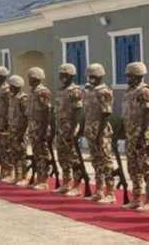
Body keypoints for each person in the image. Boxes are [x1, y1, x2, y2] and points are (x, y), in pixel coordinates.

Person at [121, 61, 149, 212]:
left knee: (146, 168)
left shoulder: (144, 91)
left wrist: (142, 134)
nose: (127, 77)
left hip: (141, 134)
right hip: (131, 134)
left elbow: (148, 114)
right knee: (133, 167)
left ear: (137, 75)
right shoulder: (129, 91)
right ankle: (136, 198)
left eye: (129, 75)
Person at [80, 63, 116, 204]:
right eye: (89, 76)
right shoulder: (90, 91)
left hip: (101, 132)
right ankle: (99, 190)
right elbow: (86, 114)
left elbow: (106, 114)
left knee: (106, 162)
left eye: (93, 76)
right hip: (91, 131)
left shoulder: (104, 91)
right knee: (96, 162)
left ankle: (111, 192)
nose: (91, 78)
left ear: (100, 76)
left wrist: (99, 133)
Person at [54, 63, 84, 197]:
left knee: (74, 158)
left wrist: (73, 130)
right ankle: (66, 182)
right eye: (61, 75)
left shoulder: (75, 91)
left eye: (65, 75)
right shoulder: (60, 90)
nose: (63, 77)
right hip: (60, 128)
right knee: (62, 157)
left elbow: (78, 111)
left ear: (72, 76)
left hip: (70, 128)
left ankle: (77, 185)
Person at [25, 67, 53, 190]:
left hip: (40, 128)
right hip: (33, 128)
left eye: (30, 78)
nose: (28, 80)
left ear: (35, 78)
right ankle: (39, 178)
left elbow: (47, 111)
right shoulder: (32, 92)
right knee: (37, 154)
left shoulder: (43, 92)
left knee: (42, 154)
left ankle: (44, 180)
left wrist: (44, 129)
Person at [5, 75, 29, 185]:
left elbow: (26, 117)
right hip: (12, 130)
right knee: (14, 154)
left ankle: (24, 176)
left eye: (11, 86)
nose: (9, 88)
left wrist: (22, 132)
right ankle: (17, 175)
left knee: (22, 154)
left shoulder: (23, 98)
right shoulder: (12, 98)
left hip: (21, 131)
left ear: (16, 86)